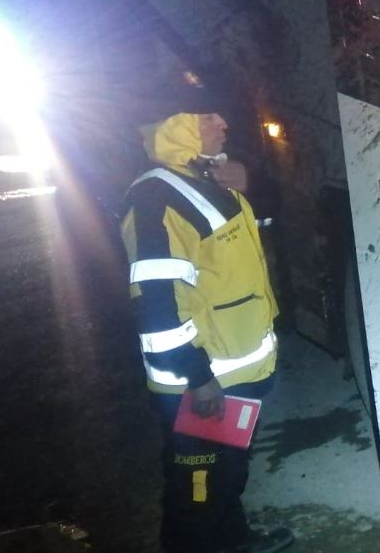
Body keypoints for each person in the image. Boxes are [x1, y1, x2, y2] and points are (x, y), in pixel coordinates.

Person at [119, 80, 293, 553]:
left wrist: (248, 180)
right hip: (200, 382)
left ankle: (233, 539)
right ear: (175, 126)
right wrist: (197, 378)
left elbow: (265, 220)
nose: (224, 124)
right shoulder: (156, 198)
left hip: (235, 373)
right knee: (196, 487)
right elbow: (157, 300)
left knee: (226, 473)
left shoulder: (207, 178)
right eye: (208, 117)